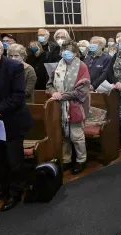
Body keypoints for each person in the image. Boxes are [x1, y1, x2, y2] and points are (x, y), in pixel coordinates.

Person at [0, 37, 33, 211]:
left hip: (11, 120)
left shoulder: (14, 67)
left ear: (1, 51)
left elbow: (18, 96)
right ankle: (2, 188)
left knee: (13, 160)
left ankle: (15, 192)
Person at [46, 40, 90, 175]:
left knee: (76, 136)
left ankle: (81, 159)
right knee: (64, 135)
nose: (66, 53)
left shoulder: (81, 66)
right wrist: (54, 93)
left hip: (76, 105)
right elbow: (49, 85)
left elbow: (82, 91)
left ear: (75, 52)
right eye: (64, 50)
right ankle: (66, 159)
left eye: (69, 51)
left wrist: (62, 96)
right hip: (59, 106)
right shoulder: (58, 65)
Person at [96, 33, 121, 152]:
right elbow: (109, 71)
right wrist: (116, 82)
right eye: (120, 41)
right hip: (117, 89)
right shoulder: (116, 55)